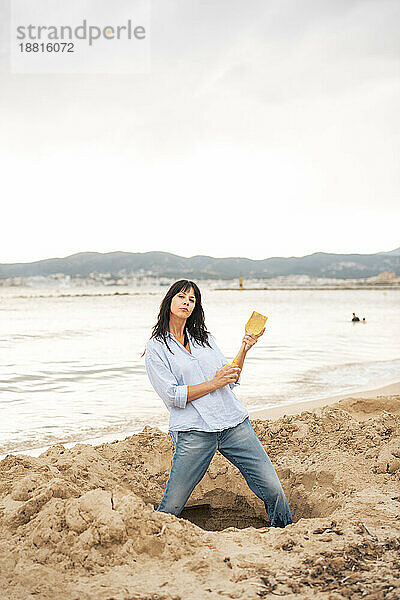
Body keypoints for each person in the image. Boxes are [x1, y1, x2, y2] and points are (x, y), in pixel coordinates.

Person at [144, 279, 292, 528]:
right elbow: (172, 396)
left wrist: (245, 347)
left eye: (192, 300)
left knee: (273, 488)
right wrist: (214, 383)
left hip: (233, 423)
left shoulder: (205, 339)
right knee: (172, 506)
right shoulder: (156, 348)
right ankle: (154, 541)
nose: (186, 303)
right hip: (194, 431)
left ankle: (285, 532)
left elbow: (230, 378)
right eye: (181, 297)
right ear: (169, 301)